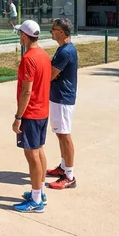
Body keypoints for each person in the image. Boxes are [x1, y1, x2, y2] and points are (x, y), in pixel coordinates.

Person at [12, 20, 51, 213]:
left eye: (20, 34)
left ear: (24, 36)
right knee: (39, 151)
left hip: (31, 114)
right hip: (42, 112)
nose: (19, 37)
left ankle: (36, 200)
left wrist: (18, 116)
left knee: (32, 155)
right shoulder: (44, 54)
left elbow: (26, 91)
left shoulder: (28, 58)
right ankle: (40, 191)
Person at [46, 18, 79, 190]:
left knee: (65, 136)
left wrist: (51, 73)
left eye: (53, 29)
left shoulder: (66, 51)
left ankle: (69, 176)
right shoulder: (63, 49)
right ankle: (63, 167)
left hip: (63, 99)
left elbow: (50, 74)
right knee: (60, 134)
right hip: (58, 97)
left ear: (61, 32)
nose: (51, 31)